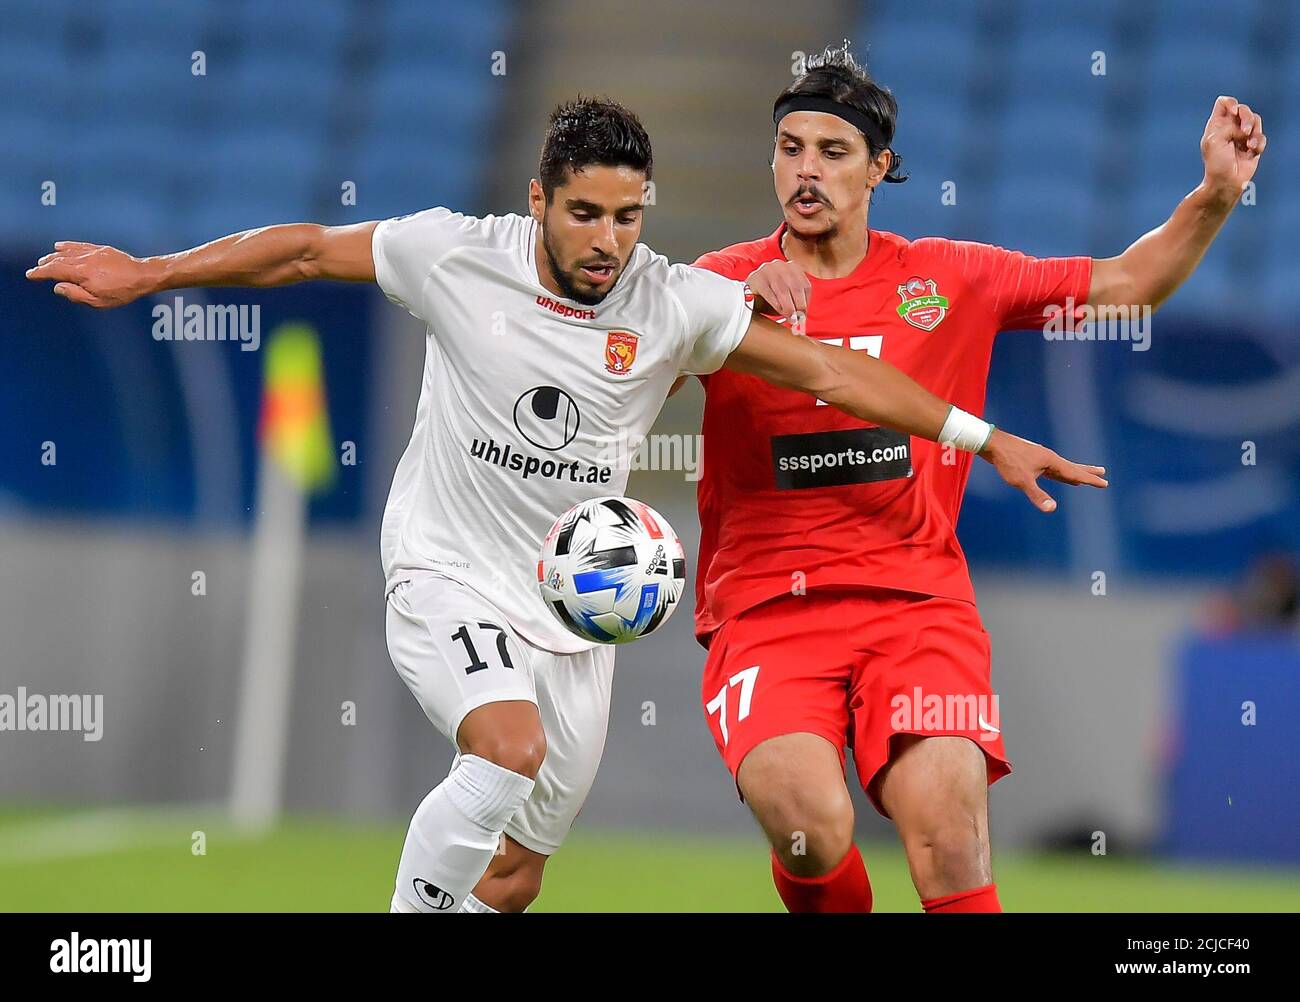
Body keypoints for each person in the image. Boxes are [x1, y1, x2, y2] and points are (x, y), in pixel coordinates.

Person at [27, 96, 1106, 914]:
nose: (606, 240)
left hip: (573, 610)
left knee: (514, 871)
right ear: (538, 200)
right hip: (445, 567)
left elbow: (830, 375)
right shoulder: (455, 254)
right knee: (503, 749)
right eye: (584, 213)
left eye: (628, 218)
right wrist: (153, 271)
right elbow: (307, 249)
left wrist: (980, 433)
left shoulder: (675, 301)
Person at [679, 42, 1266, 913]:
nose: (806, 170)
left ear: (879, 167)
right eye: (790, 147)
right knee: (809, 827)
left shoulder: (949, 277)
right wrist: (720, 318)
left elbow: (1129, 285)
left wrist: (1215, 196)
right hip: (769, 610)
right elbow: (611, 367)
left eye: (833, 152)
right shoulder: (717, 284)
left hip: (915, 605)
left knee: (951, 840)